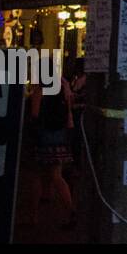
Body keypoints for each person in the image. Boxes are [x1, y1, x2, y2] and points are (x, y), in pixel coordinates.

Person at [25, 79, 76, 230]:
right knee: (57, 176)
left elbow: (35, 115)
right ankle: (71, 210)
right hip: (59, 136)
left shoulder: (40, 90)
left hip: (43, 136)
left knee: (36, 175)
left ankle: (33, 216)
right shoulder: (62, 90)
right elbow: (69, 112)